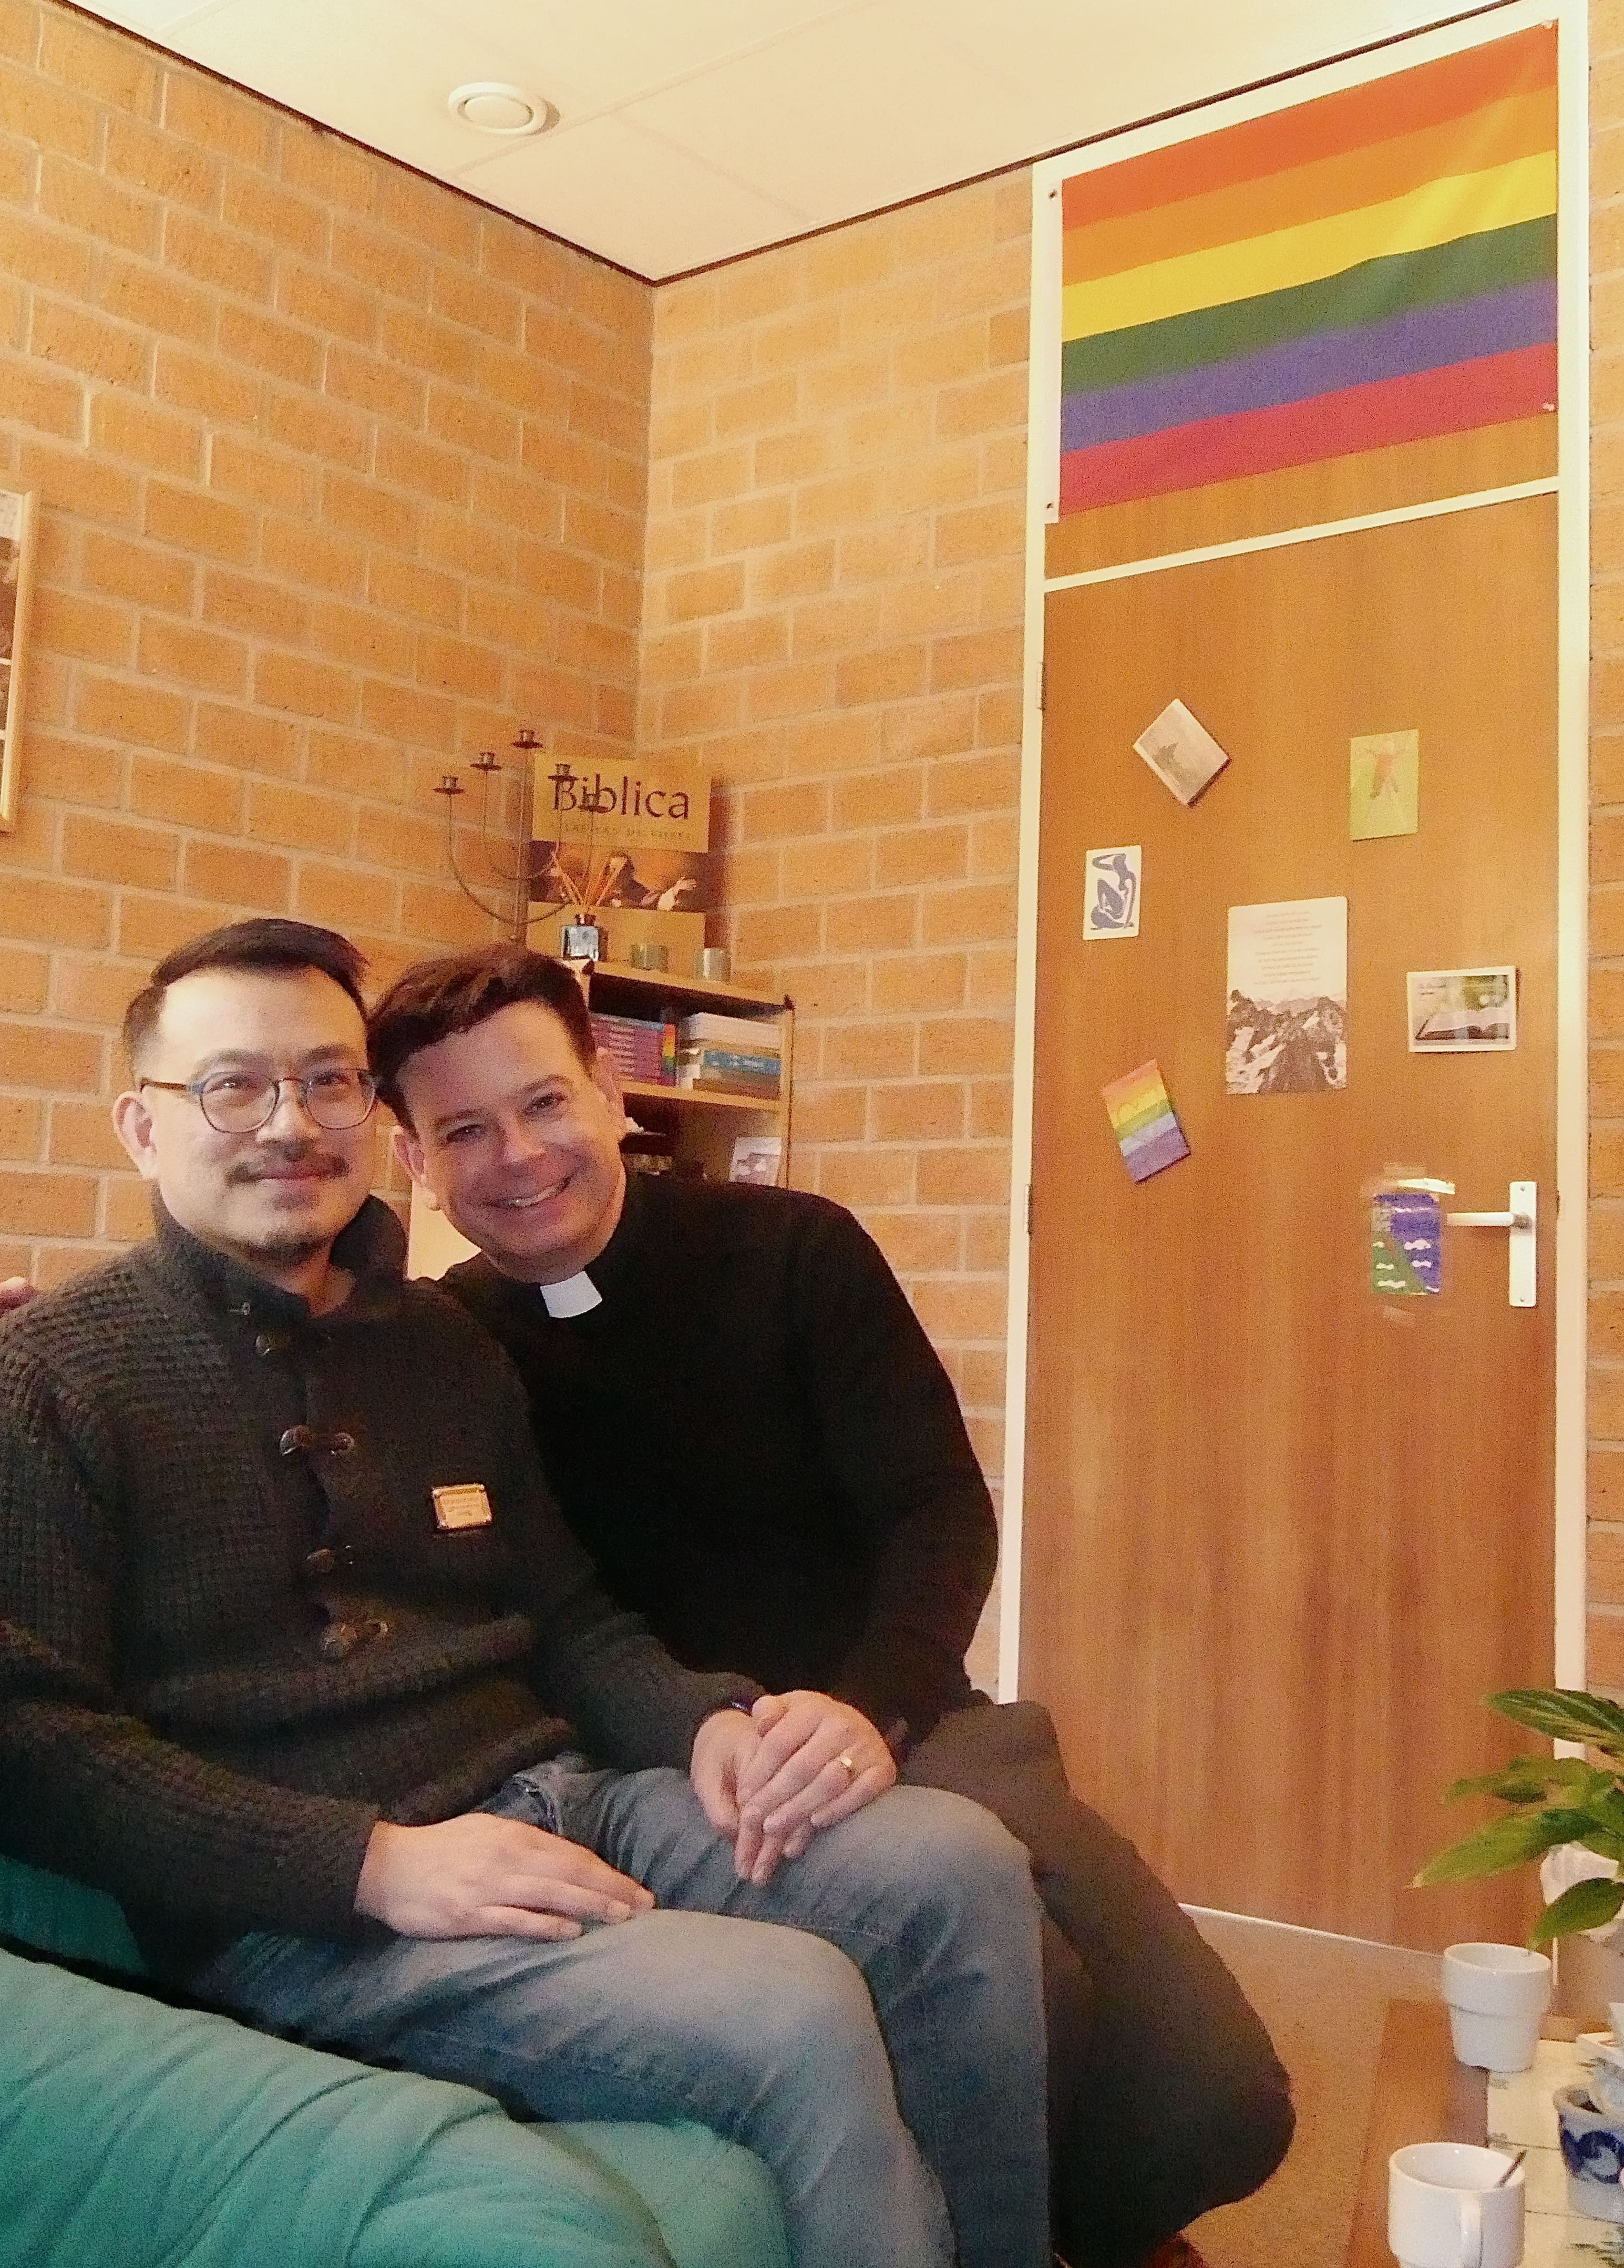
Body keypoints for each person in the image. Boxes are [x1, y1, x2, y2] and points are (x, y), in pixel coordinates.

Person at [0, 919, 1050, 2268]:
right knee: (789, 2008)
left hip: (563, 1797)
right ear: (143, 1127)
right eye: (232, 1087)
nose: (290, 1123)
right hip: (305, 1916)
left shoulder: (444, 1345)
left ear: (373, 1122)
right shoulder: (55, 1377)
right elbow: (32, 1743)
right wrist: (369, 1863)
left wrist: (703, 1725)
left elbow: (564, 1613)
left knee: (948, 1864)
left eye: (326, 1081)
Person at [372, 941, 1296, 2268]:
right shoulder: (449, 1345)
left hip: (900, 1714)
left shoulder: (792, 1251)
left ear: (611, 1097)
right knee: (1017, 1997)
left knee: (1218, 2106)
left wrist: (869, 1705)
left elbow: (937, 1510)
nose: (517, 1155)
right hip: (684, 1771)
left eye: (544, 1101)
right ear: (415, 1160)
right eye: (463, 1130)